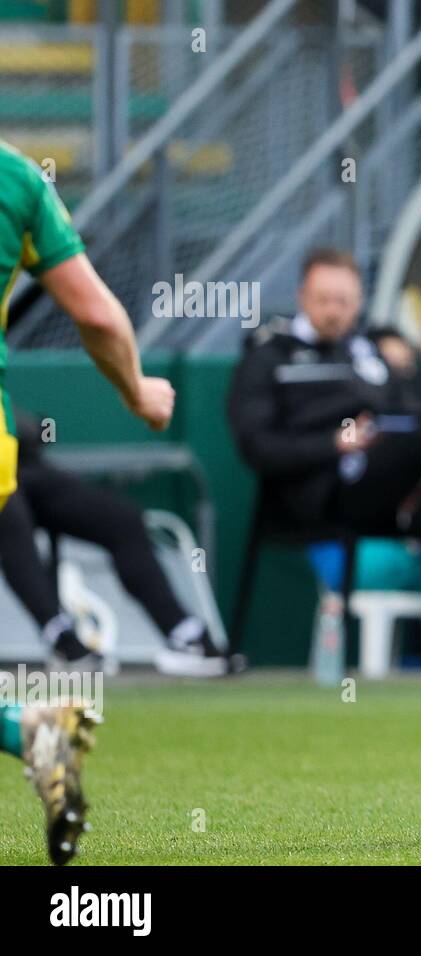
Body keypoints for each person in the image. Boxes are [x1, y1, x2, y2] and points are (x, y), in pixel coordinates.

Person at [227, 249, 421, 682]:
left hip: (379, 493)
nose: (334, 310)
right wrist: (333, 443)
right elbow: (256, 448)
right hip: (311, 497)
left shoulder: (366, 354)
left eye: (344, 300)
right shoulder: (267, 358)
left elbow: (409, 416)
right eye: (324, 299)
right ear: (302, 296)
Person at [1, 139, 176, 863]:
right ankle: (33, 731)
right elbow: (99, 315)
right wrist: (136, 390)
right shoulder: (16, 177)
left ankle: (30, 730)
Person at [0, 412, 240, 677]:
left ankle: (184, 634)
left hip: (17, 465)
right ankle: (62, 640)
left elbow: (32, 425)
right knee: (9, 514)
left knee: (122, 520)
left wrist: (28, 428)